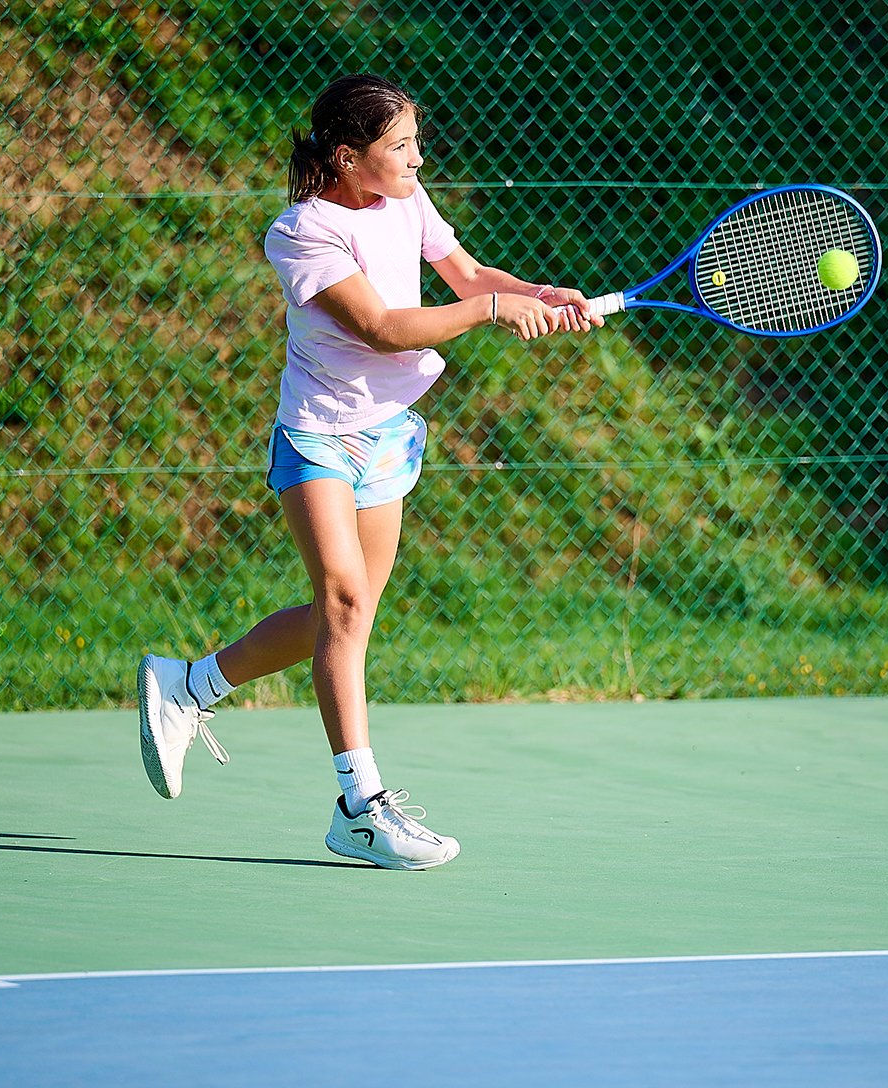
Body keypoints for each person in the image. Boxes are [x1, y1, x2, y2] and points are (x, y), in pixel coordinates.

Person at [135, 74, 600, 870]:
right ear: (350, 159)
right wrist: (493, 312)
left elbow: (469, 278)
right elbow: (385, 327)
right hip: (319, 438)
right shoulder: (300, 233)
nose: (419, 157)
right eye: (401, 146)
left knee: (338, 622)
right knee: (345, 603)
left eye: (417, 141)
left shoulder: (409, 204)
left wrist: (538, 294)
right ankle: (361, 806)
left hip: (389, 438)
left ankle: (190, 685)